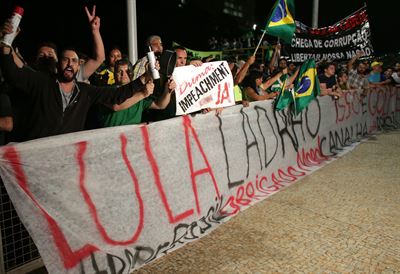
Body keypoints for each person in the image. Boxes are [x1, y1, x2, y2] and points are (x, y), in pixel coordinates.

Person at [0, 44, 152, 141]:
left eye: (73, 61)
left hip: (67, 160)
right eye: (65, 60)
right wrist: (6, 48)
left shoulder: (84, 91)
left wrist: (144, 78)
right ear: (58, 64)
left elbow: (116, 96)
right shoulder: (42, 82)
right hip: (37, 158)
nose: (69, 64)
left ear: (78, 66)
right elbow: (12, 74)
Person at [97, 58, 175, 127]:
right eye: (119, 71)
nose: (124, 74)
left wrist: (167, 90)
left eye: (127, 71)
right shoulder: (105, 90)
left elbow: (160, 105)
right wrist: (143, 94)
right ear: (114, 75)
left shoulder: (137, 92)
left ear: (132, 73)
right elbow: (116, 106)